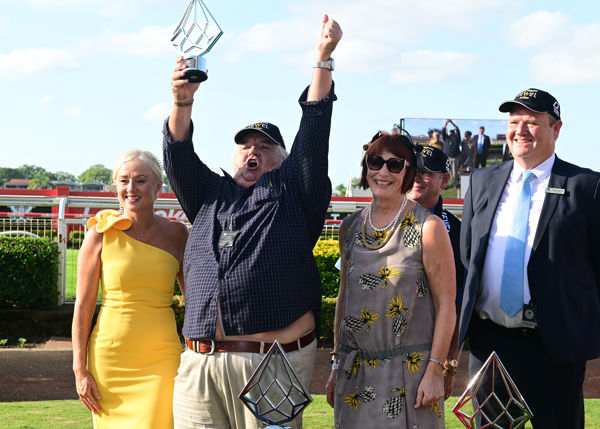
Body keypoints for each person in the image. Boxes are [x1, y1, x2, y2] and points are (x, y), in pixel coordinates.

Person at [163, 15, 342, 429]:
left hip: (270, 361)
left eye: (264, 146)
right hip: (199, 362)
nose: (252, 152)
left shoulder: (294, 193)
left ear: (283, 160)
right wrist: (182, 100)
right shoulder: (209, 195)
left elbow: (314, 134)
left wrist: (322, 60)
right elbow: (178, 153)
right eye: (244, 146)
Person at [459, 88, 600, 428]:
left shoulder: (586, 187)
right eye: (514, 121)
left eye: (532, 122)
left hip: (553, 347)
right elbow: (467, 259)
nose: (520, 130)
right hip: (489, 344)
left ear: (556, 129)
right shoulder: (481, 181)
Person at [326, 132, 456, 427]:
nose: (383, 172)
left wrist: (436, 372)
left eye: (395, 165)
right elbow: (344, 299)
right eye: (376, 162)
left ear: (408, 172)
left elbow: (447, 304)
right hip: (353, 376)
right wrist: (336, 366)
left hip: (410, 378)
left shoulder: (429, 227)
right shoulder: (349, 227)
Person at [72, 150, 188, 428]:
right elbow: (84, 306)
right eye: (124, 181)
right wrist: (80, 370)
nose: (130, 188)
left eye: (140, 180)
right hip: (110, 359)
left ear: (158, 186)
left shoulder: (178, 234)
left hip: (162, 357)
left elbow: (195, 299)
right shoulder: (99, 233)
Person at [407, 145, 464, 399]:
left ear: (445, 179)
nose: (418, 177)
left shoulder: (458, 231)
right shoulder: (373, 220)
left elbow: (458, 304)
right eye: (414, 170)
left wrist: (449, 367)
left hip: (428, 356)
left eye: (427, 172)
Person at [442, 119, 461, 187]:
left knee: (454, 173)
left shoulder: (457, 139)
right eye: (450, 132)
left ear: (454, 133)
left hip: (454, 158)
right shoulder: (446, 138)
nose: (451, 133)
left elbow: (457, 130)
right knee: (445, 173)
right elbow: (443, 131)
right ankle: (444, 185)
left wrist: (452, 123)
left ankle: (454, 184)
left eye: (452, 132)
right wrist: (446, 123)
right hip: (446, 159)